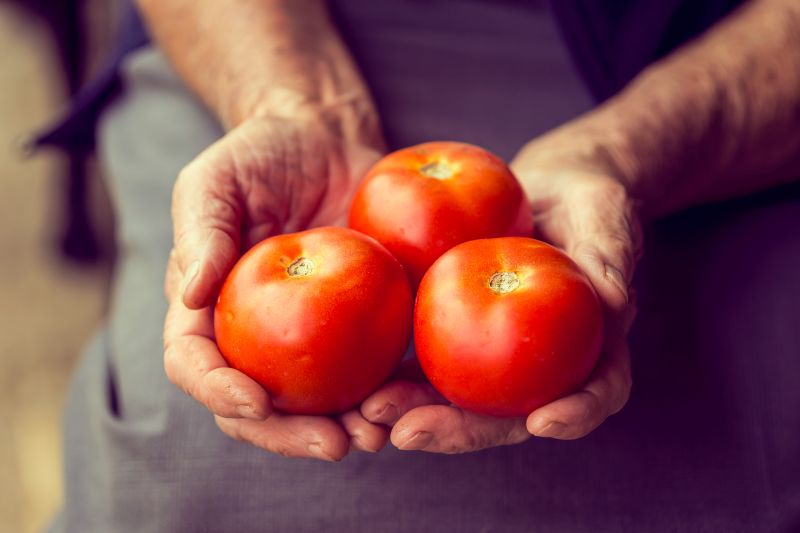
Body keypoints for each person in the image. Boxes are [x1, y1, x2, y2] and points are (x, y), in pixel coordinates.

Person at [48, 0, 800, 531]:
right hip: (283, 29)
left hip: (705, 48)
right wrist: (290, 103)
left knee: (762, 456)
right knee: (170, 480)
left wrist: (618, 154)